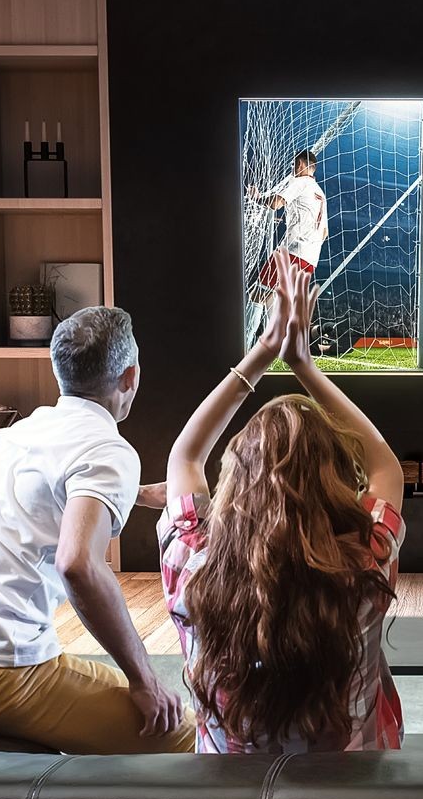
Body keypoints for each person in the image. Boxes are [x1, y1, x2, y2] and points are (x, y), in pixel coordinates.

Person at [0, 307, 196, 753]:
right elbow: (78, 566)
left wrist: (139, 493)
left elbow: (44, 496)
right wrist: (144, 679)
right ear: (130, 376)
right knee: (182, 734)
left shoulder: (21, 433)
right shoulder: (108, 449)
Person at [159, 269, 407, 752]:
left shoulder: (191, 565)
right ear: (336, 481)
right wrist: (303, 364)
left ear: (235, 481)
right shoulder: (367, 561)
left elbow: (184, 457)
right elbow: (385, 465)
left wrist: (263, 353)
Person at [246, 149, 328, 345]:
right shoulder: (320, 193)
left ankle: (242, 344)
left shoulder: (300, 181)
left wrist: (256, 197)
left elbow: (275, 203)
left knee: (257, 293)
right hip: (310, 259)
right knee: (272, 299)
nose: (292, 169)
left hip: (292, 253)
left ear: (300, 165)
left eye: (293, 166)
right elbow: (324, 233)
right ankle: (270, 346)